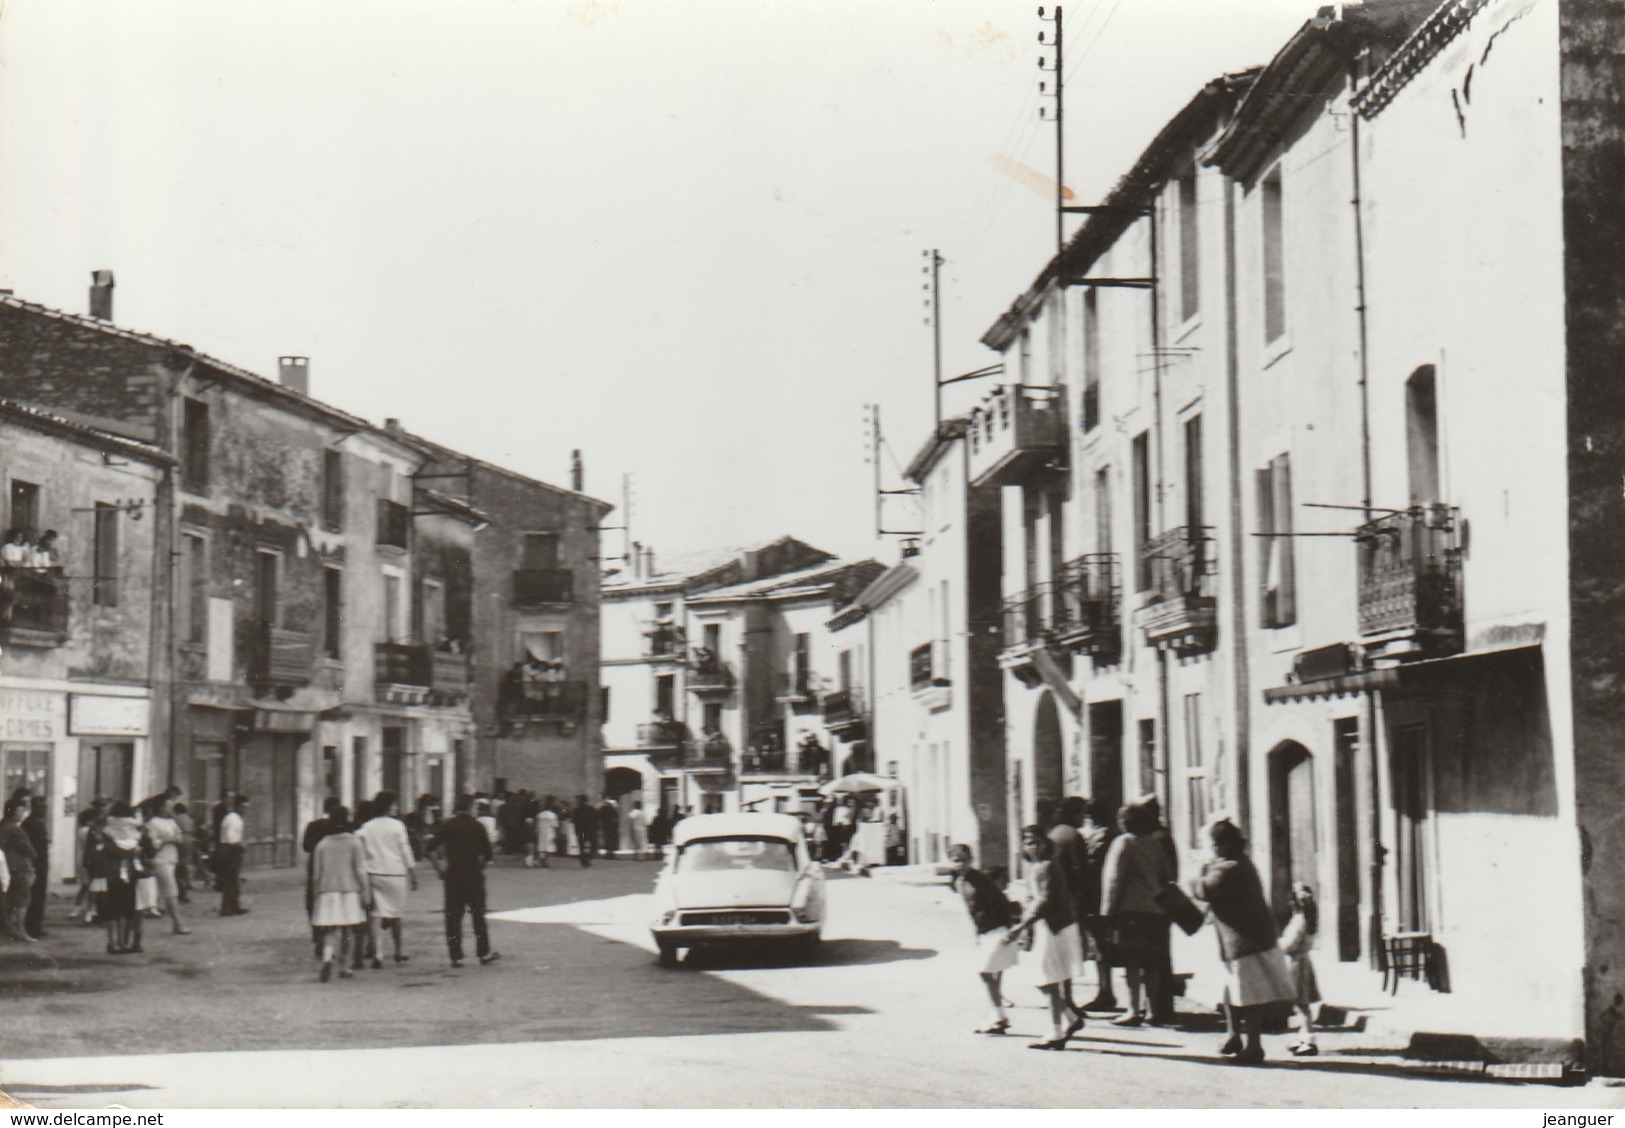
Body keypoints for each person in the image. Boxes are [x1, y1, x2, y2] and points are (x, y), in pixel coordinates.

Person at [1189, 816, 1297, 1065]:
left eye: (1215, 844)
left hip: (1247, 942)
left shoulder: (1231, 868)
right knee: (1230, 991)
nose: (1214, 849)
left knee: (1248, 996)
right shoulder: (1237, 862)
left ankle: (1254, 1046)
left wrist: (1197, 874)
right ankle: (1233, 1035)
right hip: (1238, 940)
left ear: (1225, 845)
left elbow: (1204, 889)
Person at [1005, 825, 1086, 1051]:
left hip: (1053, 928)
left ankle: (1056, 1031)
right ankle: (1068, 1017)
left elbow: (1044, 901)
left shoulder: (1047, 866)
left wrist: (1021, 926)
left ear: (1046, 844)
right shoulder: (1034, 867)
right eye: (1028, 842)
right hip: (1044, 927)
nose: (1032, 846)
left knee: (1047, 979)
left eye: (1037, 842)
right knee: (1041, 978)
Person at [1102, 799, 1176, 1027]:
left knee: (1132, 962)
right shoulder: (1154, 844)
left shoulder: (1123, 843)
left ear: (1125, 823)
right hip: (1156, 910)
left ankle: (1133, 1009)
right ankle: (1152, 1009)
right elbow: (1168, 875)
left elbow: (1114, 880)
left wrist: (1107, 911)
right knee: (1151, 963)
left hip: (1131, 910)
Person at [948, 843, 1018, 1036]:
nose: (960, 864)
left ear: (971, 860)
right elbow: (972, 912)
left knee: (985, 971)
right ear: (951, 862)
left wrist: (1009, 928)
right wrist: (977, 935)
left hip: (998, 929)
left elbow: (1001, 901)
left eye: (964, 860)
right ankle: (998, 1016)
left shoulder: (980, 880)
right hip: (985, 932)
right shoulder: (958, 881)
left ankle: (999, 1016)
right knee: (989, 971)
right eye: (956, 861)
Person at [426, 793, 500, 968]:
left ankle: (456, 957)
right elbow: (488, 854)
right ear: (469, 807)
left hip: (453, 876)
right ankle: (483, 953)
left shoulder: (448, 825)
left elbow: (429, 849)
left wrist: (439, 869)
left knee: (453, 917)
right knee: (478, 916)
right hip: (473, 876)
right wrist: (479, 868)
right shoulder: (478, 826)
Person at [310, 805, 371, 982]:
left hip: (327, 891)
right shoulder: (354, 842)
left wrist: (315, 894)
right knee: (348, 930)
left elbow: (316, 874)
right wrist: (365, 891)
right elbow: (360, 869)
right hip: (350, 890)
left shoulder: (322, 844)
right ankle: (345, 967)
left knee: (330, 929)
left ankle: (327, 957)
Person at [357, 790, 417, 966]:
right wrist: (413, 873)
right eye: (395, 804)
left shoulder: (368, 826)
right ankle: (399, 950)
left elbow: (359, 844)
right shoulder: (397, 826)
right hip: (395, 873)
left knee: (375, 915)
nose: (397, 808)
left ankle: (378, 954)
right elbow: (405, 850)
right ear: (389, 806)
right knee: (396, 914)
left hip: (374, 873)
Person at [1047, 796, 1091, 1010]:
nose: (1084, 817)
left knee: (1058, 949)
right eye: (1082, 813)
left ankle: (1063, 997)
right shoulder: (1073, 836)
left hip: (1054, 897)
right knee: (1069, 949)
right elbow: (1080, 870)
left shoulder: (1055, 834)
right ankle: (1068, 998)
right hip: (1070, 900)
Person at [1078, 796, 1119, 1012]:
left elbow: (1091, 866)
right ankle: (1105, 991)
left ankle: (1106, 993)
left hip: (1097, 898)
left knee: (1102, 947)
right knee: (1102, 946)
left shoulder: (1102, 837)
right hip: (1102, 897)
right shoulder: (1110, 835)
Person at [92, 801, 148, 954]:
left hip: (112, 873)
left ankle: (114, 942)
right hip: (128, 873)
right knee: (124, 909)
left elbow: (109, 850)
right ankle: (120, 942)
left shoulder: (107, 832)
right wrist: (133, 852)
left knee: (114, 909)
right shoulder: (135, 833)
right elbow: (139, 849)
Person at [1282, 882, 1321, 1057]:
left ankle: (1309, 1039)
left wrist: (1278, 946)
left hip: (1296, 963)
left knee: (1301, 1003)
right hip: (1303, 961)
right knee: (1300, 1002)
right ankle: (1302, 1036)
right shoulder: (1309, 920)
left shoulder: (1299, 921)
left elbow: (1290, 944)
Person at [144, 798, 191, 935]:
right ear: (161, 808)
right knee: (171, 891)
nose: (171, 809)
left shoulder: (171, 821)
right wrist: (167, 840)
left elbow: (179, 837)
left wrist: (176, 838)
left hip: (171, 858)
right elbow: (152, 843)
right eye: (168, 806)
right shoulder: (153, 823)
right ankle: (178, 923)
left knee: (162, 891)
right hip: (160, 859)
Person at [0, 798, 36, 942]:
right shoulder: (15, 829)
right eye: (21, 810)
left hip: (7, 867)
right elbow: (29, 850)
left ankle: (10, 929)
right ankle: (20, 930)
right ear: (14, 812)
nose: (23, 813)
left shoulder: (3, 828)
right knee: (23, 899)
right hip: (19, 867)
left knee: (10, 900)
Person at [216, 794, 249, 916]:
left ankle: (234, 905)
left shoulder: (235, 818)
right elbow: (231, 838)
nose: (245, 810)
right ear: (237, 807)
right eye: (243, 807)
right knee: (231, 879)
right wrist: (241, 845)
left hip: (232, 849)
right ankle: (227, 908)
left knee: (234, 879)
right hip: (231, 850)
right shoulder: (233, 819)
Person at [23, 794, 49, 939]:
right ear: (34, 807)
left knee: (39, 896)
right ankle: (32, 927)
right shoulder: (31, 823)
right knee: (35, 897)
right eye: (41, 807)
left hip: (41, 864)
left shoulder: (38, 822)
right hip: (36, 865)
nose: (44, 809)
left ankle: (36, 926)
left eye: (45, 807)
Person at [532, 801, 559, 868]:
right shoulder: (553, 815)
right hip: (549, 832)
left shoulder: (539, 815)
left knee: (541, 847)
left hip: (541, 832)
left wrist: (536, 831)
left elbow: (536, 824)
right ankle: (546, 861)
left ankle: (541, 860)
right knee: (549, 847)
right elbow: (555, 825)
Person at [571, 796, 596, 866]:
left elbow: (574, 821)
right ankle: (587, 858)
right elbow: (595, 820)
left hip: (581, 830)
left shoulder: (577, 810)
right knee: (593, 844)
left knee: (582, 845)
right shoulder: (591, 809)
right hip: (589, 830)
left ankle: (584, 859)